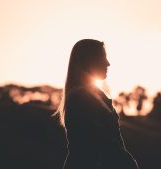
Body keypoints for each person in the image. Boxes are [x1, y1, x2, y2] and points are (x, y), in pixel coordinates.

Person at [56, 39, 139, 169]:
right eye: (103, 58)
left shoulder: (90, 95)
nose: (108, 63)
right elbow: (97, 147)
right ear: (89, 61)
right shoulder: (82, 97)